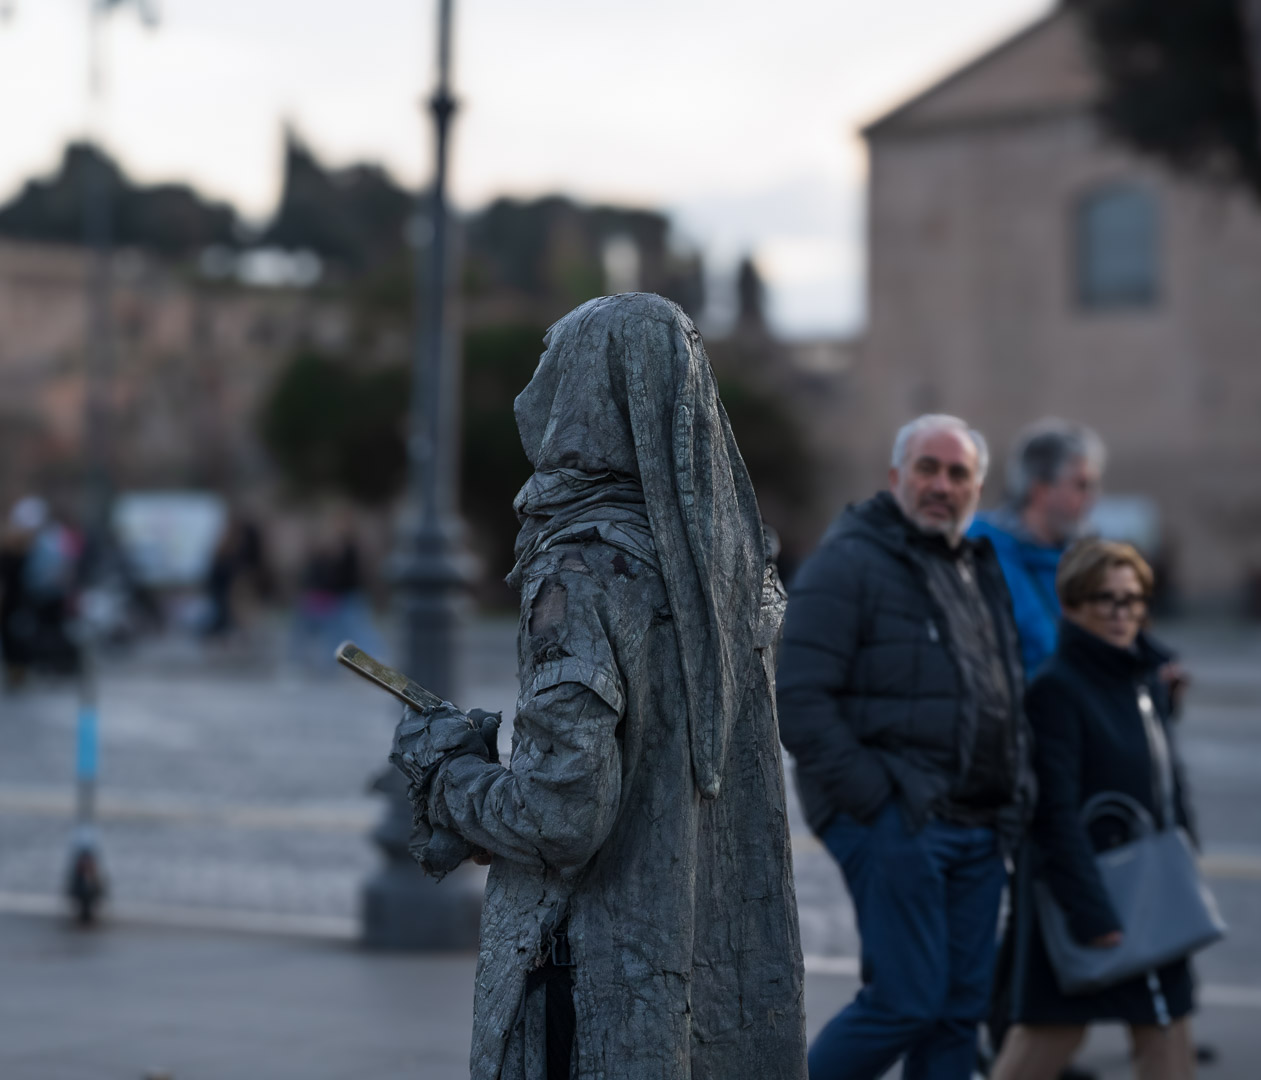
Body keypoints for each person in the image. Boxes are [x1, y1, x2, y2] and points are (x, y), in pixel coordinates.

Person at [390, 293, 806, 1078]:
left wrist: (447, 775)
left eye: (551, 365)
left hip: (590, 988)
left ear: (585, 390)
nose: (530, 393)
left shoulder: (580, 573)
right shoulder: (732, 571)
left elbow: (560, 816)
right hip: (706, 984)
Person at [778, 413, 1033, 1080]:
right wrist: (875, 801)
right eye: (927, 468)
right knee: (906, 1001)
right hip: (897, 818)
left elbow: (1003, 689)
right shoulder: (848, 562)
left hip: (981, 823)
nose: (941, 485)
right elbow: (799, 699)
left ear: (977, 488)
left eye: (958, 473)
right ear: (896, 477)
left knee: (957, 1013)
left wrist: (1015, 795)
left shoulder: (977, 567)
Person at [990, 540, 1199, 1080]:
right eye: (1105, 598)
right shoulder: (1057, 688)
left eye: (1133, 599)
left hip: (1149, 889)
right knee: (1046, 1038)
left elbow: (1163, 785)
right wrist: (1091, 912)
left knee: (1165, 1031)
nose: (1120, 611)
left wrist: (1186, 860)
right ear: (1072, 605)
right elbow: (1053, 813)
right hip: (1088, 896)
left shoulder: (1142, 680)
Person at [968, 419, 1105, 678]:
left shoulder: (1088, 563)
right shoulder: (978, 553)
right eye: (1081, 485)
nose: (1093, 498)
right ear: (1041, 491)